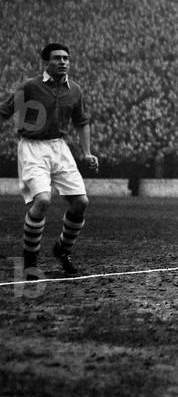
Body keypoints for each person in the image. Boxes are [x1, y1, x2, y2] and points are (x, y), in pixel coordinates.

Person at [0, 42, 100, 280]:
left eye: (66, 58)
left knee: (81, 203)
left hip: (59, 147)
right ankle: (30, 262)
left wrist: (87, 152)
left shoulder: (74, 89)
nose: (63, 62)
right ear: (46, 63)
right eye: (57, 58)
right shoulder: (30, 87)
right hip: (32, 148)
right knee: (43, 199)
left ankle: (62, 251)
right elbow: (4, 112)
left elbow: (81, 122)